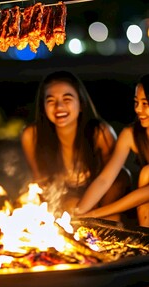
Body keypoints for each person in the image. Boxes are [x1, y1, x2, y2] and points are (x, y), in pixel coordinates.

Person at [21, 70, 131, 220]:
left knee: (120, 179)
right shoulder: (32, 136)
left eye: (67, 99)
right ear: (43, 107)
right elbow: (40, 181)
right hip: (62, 197)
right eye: (51, 101)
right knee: (70, 206)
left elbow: (113, 177)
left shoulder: (100, 133)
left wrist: (93, 208)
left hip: (104, 197)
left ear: (80, 104)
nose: (59, 106)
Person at [75, 74, 149, 227]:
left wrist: (95, 214)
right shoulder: (131, 135)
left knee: (146, 173)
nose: (138, 109)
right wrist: (79, 213)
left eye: (145, 104)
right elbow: (105, 179)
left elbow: (146, 192)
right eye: (136, 102)